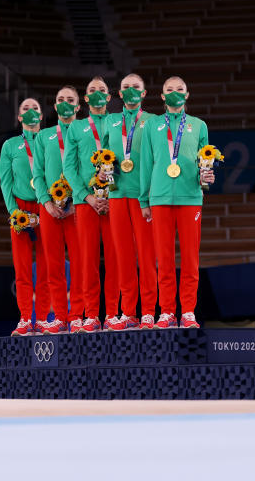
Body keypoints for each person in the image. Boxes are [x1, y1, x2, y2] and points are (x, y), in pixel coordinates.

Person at [139, 76, 214, 329]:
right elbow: (145, 164)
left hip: (190, 197)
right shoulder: (152, 126)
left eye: (179, 89)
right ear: (161, 96)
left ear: (187, 94)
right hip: (159, 198)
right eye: (169, 90)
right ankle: (167, 311)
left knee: (191, 258)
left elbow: (206, 161)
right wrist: (143, 199)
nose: (174, 93)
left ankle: (189, 311)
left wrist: (206, 178)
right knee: (165, 257)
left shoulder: (198, 125)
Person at [63, 77, 118, 332]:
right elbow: (69, 168)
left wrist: (110, 194)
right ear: (85, 99)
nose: (97, 94)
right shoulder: (75, 128)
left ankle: (114, 314)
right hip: (86, 203)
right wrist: (87, 196)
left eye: (102, 91)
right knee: (87, 260)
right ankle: (91, 314)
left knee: (117, 258)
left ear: (109, 97)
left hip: (115, 199)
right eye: (92, 91)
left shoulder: (118, 123)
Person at [104, 73, 158, 329]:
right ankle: (129, 312)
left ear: (144, 93)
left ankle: (148, 311)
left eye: (136, 86)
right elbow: (100, 157)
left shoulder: (155, 122)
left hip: (143, 197)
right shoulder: (110, 121)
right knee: (123, 256)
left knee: (146, 256)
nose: (131, 90)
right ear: (120, 93)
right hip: (116, 195)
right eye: (126, 87)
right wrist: (101, 173)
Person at [33, 86, 82, 333]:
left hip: (78, 210)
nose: (65, 103)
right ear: (54, 106)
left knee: (80, 263)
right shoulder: (43, 136)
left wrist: (79, 202)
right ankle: (60, 316)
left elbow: (92, 170)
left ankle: (78, 315)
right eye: (60, 100)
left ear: (78, 106)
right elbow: (38, 173)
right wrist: (46, 202)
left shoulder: (86, 132)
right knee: (54, 264)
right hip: (50, 210)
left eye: (70, 100)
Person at [0, 98, 49, 336]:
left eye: (35, 109)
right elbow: (5, 182)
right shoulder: (10, 145)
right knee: (22, 268)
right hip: (21, 208)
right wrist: (14, 212)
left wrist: (55, 203)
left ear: (42, 115)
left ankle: (41, 319)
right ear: (19, 117)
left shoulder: (51, 140)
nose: (31, 112)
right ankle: (25, 318)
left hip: (46, 205)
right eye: (25, 109)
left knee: (47, 266)